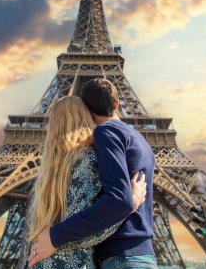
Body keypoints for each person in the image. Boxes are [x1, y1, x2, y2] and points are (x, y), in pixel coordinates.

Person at [26, 95, 147, 269]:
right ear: (85, 118)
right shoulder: (88, 159)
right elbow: (84, 230)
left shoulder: (47, 174)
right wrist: (129, 204)